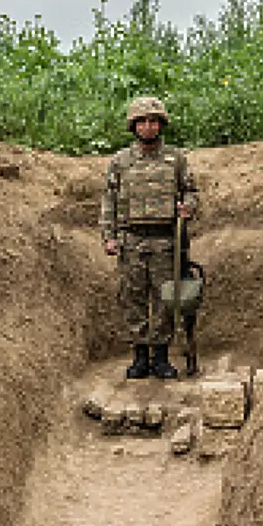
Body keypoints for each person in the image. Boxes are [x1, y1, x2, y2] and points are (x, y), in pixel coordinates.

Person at [99, 96, 199, 380]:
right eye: (142, 122)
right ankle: (140, 356)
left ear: (161, 124)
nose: (148, 127)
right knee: (133, 299)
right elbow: (109, 201)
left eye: (153, 121)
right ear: (134, 126)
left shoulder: (176, 159)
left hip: (166, 241)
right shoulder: (121, 161)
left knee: (166, 300)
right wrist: (109, 236)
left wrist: (187, 207)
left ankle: (161, 357)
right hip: (131, 241)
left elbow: (191, 191)